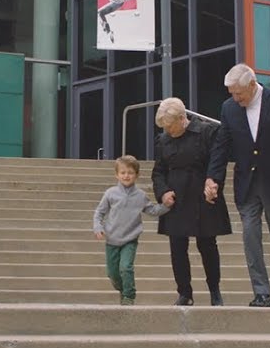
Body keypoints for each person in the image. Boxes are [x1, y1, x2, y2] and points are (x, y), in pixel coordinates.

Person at [205, 63, 270, 308]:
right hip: (246, 184)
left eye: (238, 93)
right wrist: (212, 178)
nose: (235, 98)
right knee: (251, 237)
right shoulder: (229, 108)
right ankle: (260, 292)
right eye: (231, 94)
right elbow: (222, 146)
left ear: (252, 85)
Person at [151, 97, 232, 306]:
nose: (168, 131)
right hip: (176, 197)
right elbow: (158, 171)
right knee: (177, 247)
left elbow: (217, 161)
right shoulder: (163, 140)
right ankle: (184, 292)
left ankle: (215, 291)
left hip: (202, 193)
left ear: (182, 118)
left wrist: (213, 182)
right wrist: (162, 193)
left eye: (171, 126)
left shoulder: (206, 132)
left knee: (207, 245)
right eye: (165, 128)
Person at [92, 154, 170, 305]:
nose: (126, 176)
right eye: (123, 172)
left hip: (130, 239)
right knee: (113, 274)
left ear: (137, 175)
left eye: (130, 173)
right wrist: (98, 227)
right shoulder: (110, 193)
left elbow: (152, 210)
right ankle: (123, 289)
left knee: (126, 267)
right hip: (112, 240)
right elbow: (99, 213)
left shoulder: (140, 196)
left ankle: (129, 296)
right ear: (117, 174)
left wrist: (167, 206)